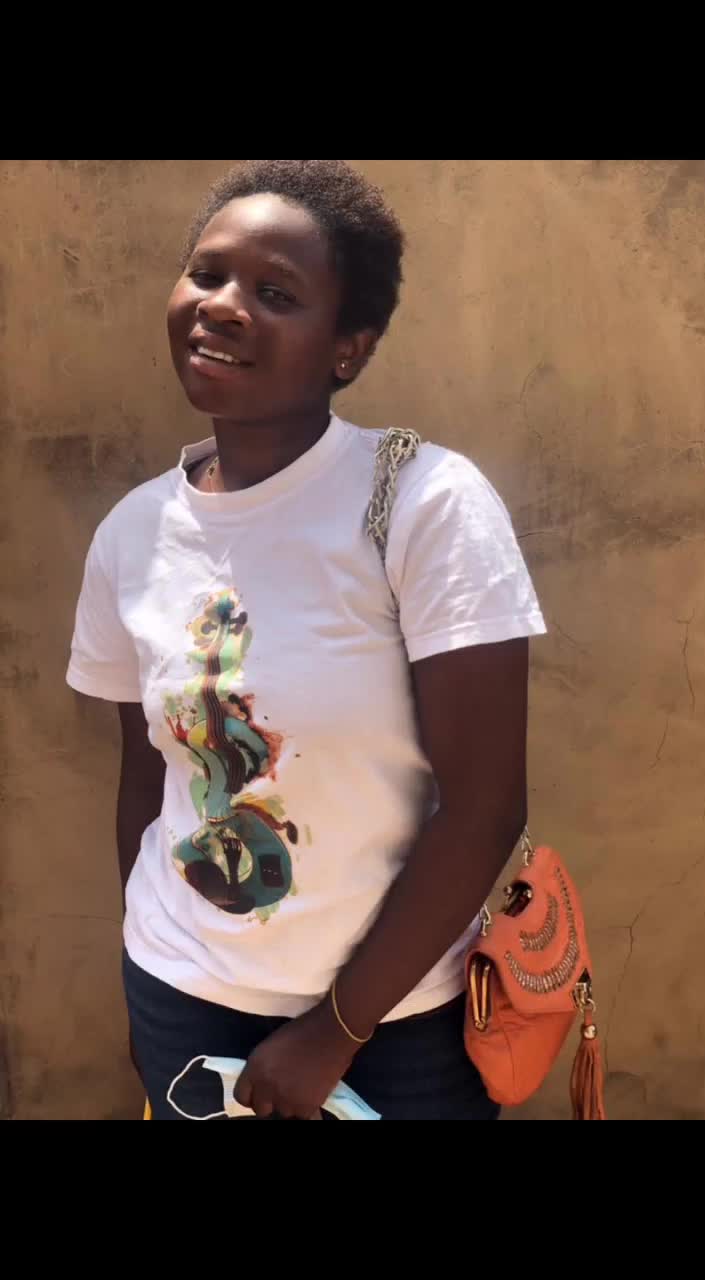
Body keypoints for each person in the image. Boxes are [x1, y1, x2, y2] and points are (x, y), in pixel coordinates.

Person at [67, 159, 546, 1121]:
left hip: (396, 1032)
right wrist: (151, 968)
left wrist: (335, 1030)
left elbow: (486, 807)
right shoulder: (133, 534)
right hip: (181, 1004)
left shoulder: (426, 506)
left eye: (275, 294)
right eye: (207, 275)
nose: (223, 306)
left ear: (347, 349)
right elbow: (147, 781)